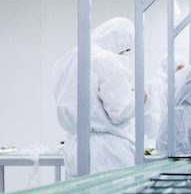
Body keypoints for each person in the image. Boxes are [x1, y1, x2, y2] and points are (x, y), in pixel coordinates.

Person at [53, 17, 138, 177]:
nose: (123, 54)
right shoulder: (107, 59)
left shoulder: (72, 57)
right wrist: (138, 97)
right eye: (125, 49)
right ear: (120, 41)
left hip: (75, 148)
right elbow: (120, 112)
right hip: (106, 153)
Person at [144, 53, 186, 150]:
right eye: (179, 67)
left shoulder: (177, 84)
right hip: (154, 139)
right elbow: (154, 116)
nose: (182, 70)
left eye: (183, 67)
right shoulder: (155, 84)